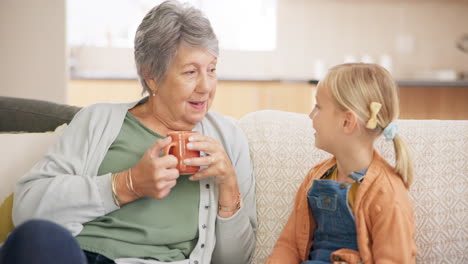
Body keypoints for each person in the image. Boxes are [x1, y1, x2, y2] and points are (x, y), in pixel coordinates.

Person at [8, 1, 257, 263]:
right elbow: (26, 208)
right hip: (73, 255)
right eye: (191, 72)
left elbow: (235, 260)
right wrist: (126, 185)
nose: (206, 86)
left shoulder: (228, 139)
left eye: (212, 70)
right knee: (38, 237)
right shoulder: (97, 119)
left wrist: (229, 186)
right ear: (151, 76)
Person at [266, 63, 417, 264]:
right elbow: (289, 244)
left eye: (318, 107)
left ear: (347, 122)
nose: (311, 115)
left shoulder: (387, 193)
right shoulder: (316, 176)